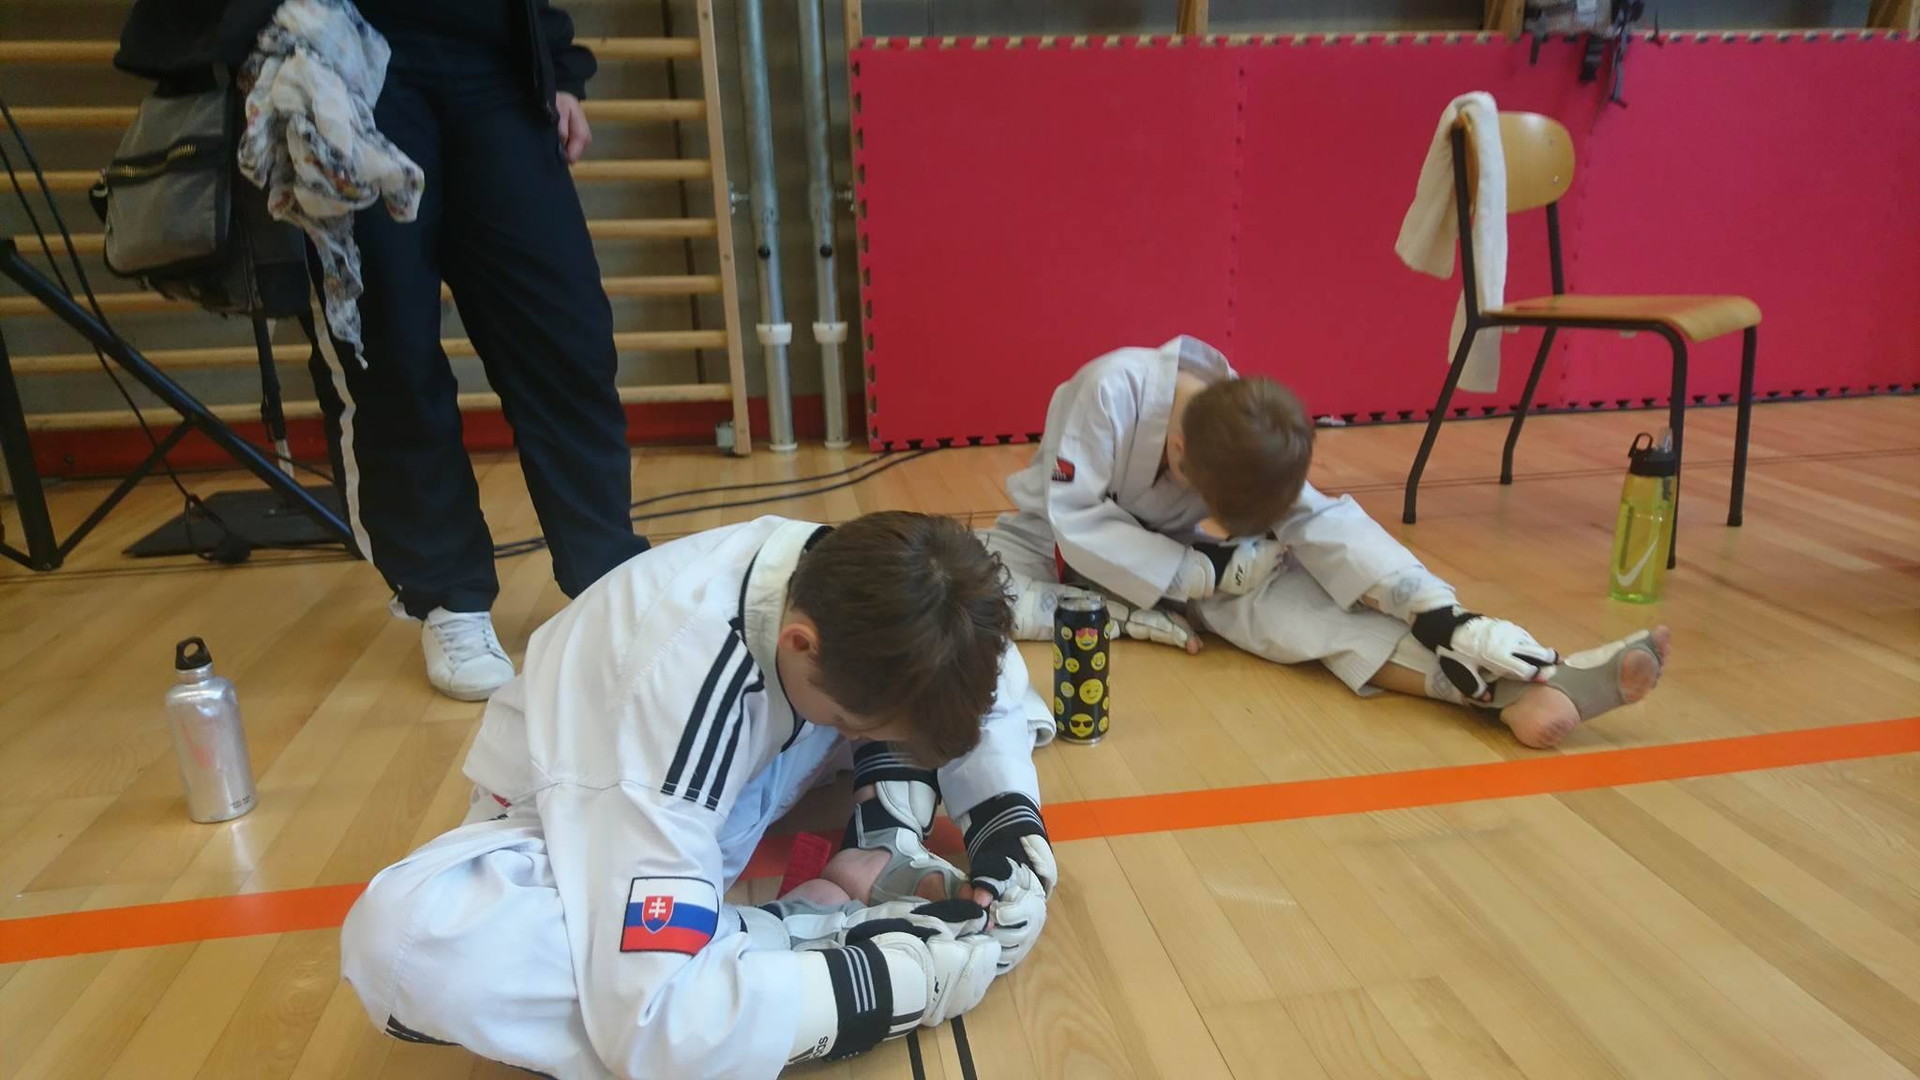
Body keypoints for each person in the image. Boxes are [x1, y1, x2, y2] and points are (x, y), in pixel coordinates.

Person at [339, 513, 1058, 1078]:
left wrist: (1008, 831)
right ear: (800, 644)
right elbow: (654, 1028)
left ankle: (881, 842)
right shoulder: (668, 695)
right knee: (406, 944)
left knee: (934, 675)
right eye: (855, 728)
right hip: (587, 815)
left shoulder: (862, 584)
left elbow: (980, 666)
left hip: (731, 776)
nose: (859, 734)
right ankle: (785, 936)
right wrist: (899, 979)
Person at [985, 336, 1670, 749]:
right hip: (1049, 545)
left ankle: (1520, 688)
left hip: (1178, 551)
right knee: (976, 597)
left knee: (1281, 609)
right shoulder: (1112, 391)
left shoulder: (1240, 421)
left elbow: (1317, 521)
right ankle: (1504, 693)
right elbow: (1075, 521)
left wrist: (1440, 612)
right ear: (1182, 450)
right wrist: (1199, 575)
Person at [302, 0, 648, 700]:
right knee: (391, 347)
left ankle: (605, 575)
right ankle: (448, 595)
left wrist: (557, 67)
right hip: (347, 62)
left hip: (494, 62)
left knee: (567, 337)